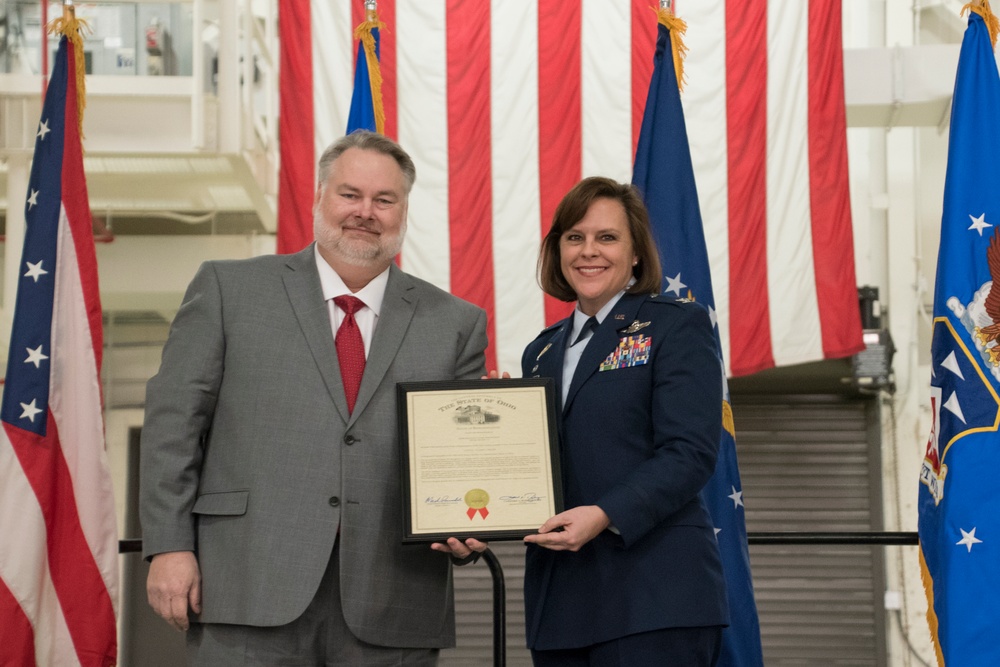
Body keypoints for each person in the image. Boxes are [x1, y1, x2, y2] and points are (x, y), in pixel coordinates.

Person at [140, 130, 487, 666]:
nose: (365, 212)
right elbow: (173, 426)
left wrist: (473, 518)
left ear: (403, 211)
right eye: (350, 194)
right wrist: (169, 545)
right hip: (246, 585)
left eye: (384, 200)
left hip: (393, 599)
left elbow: (460, 462)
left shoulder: (457, 325)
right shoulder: (230, 290)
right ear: (319, 197)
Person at [521, 177, 729, 666]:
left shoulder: (676, 325)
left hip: (654, 595)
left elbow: (690, 452)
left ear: (635, 253)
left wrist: (604, 513)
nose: (588, 251)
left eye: (607, 237)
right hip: (560, 603)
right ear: (557, 251)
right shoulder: (541, 350)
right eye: (574, 237)